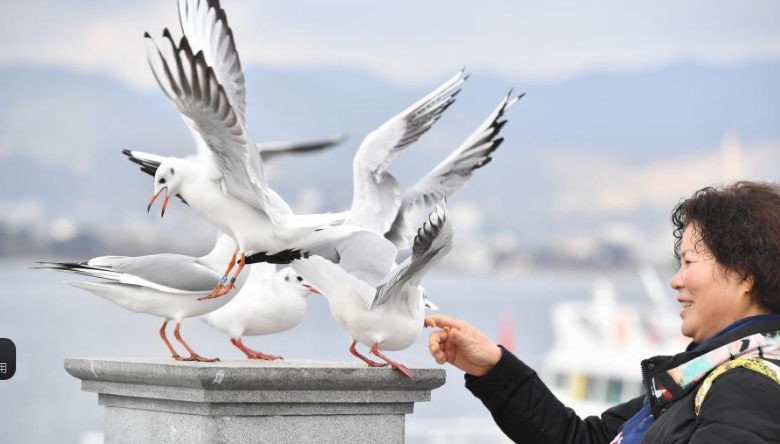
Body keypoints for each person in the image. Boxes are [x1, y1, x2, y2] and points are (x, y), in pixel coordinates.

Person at [427, 181, 780, 444]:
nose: (676, 280)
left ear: (743, 275)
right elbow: (582, 439)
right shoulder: (704, 376)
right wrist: (492, 368)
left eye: (688, 262)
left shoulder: (748, 387)